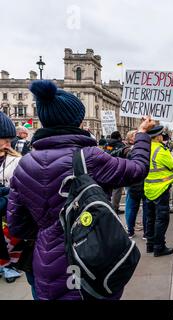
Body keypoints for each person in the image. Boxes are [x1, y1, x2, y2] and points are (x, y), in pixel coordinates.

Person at [6, 80, 155, 300]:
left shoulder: (24, 164)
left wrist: (49, 229)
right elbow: (137, 170)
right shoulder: (90, 157)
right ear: (76, 120)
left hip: (46, 265)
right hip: (91, 258)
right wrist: (142, 134)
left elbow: (17, 225)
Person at [144, 126, 173, 257]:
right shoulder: (161, 150)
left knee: (150, 218)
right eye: (161, 135)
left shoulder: (145, 149)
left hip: (148, 188)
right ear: (158, 136)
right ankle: (159, 247)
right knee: (161, 219)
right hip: (161, 189)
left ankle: (150, 245)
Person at [0, 113, 23, 286]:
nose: (8, 143)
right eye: (3, 139)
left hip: (10, 208)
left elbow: (21, 188)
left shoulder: (17, 160)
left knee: (11, 236)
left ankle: (9, 264)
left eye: (9, 139)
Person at [124, 130, 149, 238]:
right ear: (130, 139)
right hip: (136, 182)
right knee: (133, 208)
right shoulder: (131, 151)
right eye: (135, 135)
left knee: (141, 208)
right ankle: (131, 230)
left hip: (137, 182)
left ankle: (141, 232)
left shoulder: (128, 150)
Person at [105, 131, 126, 215]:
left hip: (108, 169)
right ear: (119, 137)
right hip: (118, 169)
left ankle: (107, 207)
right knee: (117, 190)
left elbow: (107, 153)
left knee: (108, 190)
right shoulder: (121, 145)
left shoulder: (108, 145)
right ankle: (115, 208)